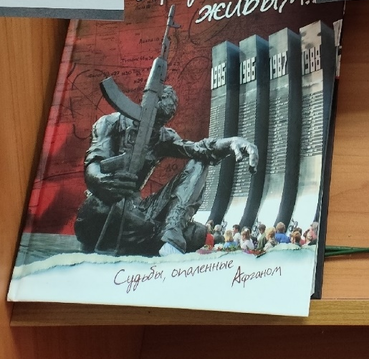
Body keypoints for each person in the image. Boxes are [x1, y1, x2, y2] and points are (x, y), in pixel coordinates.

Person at [73, 84, 258, 258]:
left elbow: (200, 149)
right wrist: (102, 180)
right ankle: (157, 234)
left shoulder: (163, 136)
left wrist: (230, 142)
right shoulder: (109, 123)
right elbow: (94, 163)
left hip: (138, 210)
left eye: (161, 122)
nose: (155, 127)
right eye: (154, 119)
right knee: (101, 209)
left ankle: (172, 232)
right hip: (105, 206)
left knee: (197, 226)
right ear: (144, 105)